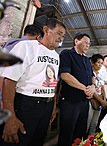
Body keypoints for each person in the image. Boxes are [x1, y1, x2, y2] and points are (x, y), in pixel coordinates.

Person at [0, 18, 66, 146]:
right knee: (18, 140)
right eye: (59, 33)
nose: (61, 38)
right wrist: (10, 117)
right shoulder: (25, 47)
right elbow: (9, 81)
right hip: (26, 105)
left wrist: (52, 107)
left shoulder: (56, 56)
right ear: (46, 30)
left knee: (37, 141)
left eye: (63, 35)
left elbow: (53, 83)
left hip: (46, 106)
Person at [58, 33, 95, 146]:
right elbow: (65, 76)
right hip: (70, 101)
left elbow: (92, 76)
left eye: (89, 43)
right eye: (85, 42)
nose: (88, 45)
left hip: (84, 102)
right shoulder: (67, 54)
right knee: (67, 133)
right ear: (76, 41)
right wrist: (85, 89)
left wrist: (93, 87)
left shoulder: (86, 60)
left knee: (80, 132)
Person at [87, 54, 107, 135]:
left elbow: (102, 88)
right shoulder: (89, 74)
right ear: (93, 63)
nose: (100, 65)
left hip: (100, 100)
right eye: (98, 62)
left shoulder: (100, 74)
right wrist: (101, 101)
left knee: (94, 123)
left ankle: (91, 140)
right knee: (87, 122)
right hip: (92, 100)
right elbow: (92, 90)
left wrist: (104, 99)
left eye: (101, 63)